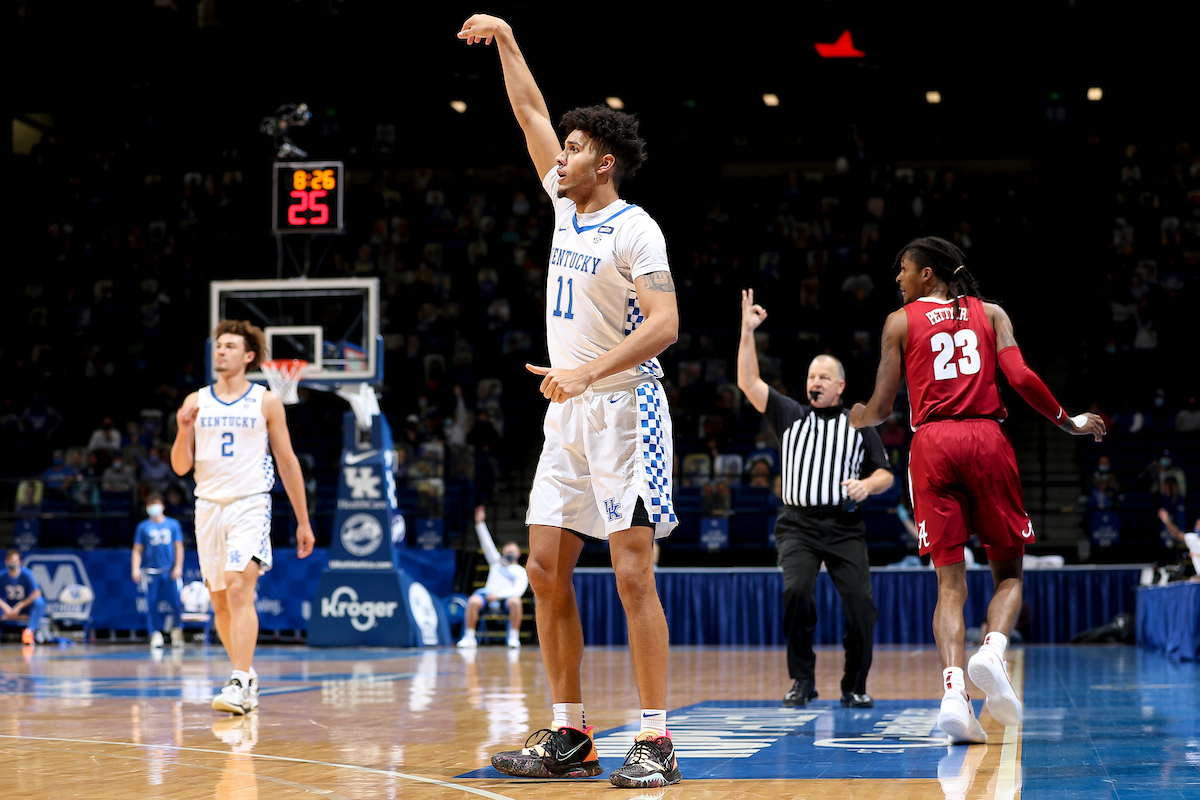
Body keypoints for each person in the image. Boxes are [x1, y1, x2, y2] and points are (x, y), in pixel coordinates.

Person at [458, 13, 681, 789]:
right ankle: (571, 734)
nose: (563, 155)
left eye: (577, 148)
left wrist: (587, 373)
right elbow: (526, 112)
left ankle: (655, 738)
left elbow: (665, 325)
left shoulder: (636, 230)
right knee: (547, 569)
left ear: (605, 163)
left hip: (626, 410)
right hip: (569, 413)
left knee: (630, 573)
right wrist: (510, 41)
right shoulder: (564, 204)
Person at [849, 236, 1106, 744]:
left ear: (929, 275)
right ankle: (991, 652)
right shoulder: (991, 314)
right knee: (1008, 570)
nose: (897, 278)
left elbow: (880, 408)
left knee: (949, 584)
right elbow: (1023, 378)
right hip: (987, 437)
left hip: (932, 446)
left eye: (903, 269)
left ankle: (952, 693)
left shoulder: (899, 323)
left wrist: (858, 416)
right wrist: (1068, 421)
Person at [737, 289, 894, 710]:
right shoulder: (790, 414)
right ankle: (802, 679)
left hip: (844, 526)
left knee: (861, 606)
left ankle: (854, 684)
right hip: (798, 526)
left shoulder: (859, 420)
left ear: (840, 385)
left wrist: (867, 486)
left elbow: (885, 472)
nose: (815, 382)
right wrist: (747, 331)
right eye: (811, 377)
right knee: (798, 594)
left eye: (823, 377)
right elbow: (748, 382)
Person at [171, 319, 314, 715]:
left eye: (230, 346)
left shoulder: (266, 400)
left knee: (237, 587)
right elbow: (180, 467)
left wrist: (303, 520)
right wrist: (184, 431)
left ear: (249, 356)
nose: (222, 351)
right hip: (207, 506)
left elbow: (286, 461)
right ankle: (246, 678)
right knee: (219, 601)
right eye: (218, 345)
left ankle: (236, 679)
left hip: (250, 502)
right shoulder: (194, 401)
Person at [457, 505, 528, 649]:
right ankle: (469, 637)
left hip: (505, 599)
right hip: (487, 596)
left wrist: (499, 596)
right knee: (472, 601)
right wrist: (480, 523)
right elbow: (486, 543)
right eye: (507, 550)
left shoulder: (521, 571)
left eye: (512, 551)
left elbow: (518, 591)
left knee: (516, 602)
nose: (509, 553)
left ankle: (513, 638)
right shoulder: (496, 562)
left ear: (518, 553)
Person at [132, 492, 185, 648]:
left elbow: (179, 547)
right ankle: (154, 633)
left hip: (169, 571)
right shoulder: (143, 527)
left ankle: (177, 631)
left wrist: (178, 566)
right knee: (151, 603)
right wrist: (135, 567)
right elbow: (137, 550)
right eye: (150, 504)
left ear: (162, 506)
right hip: (150, 571)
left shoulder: (172, 524)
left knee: (175, 602)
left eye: (156, 503)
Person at [2, 550, 45, 645]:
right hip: (8, 608)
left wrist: (19, 606)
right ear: (5, 561)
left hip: (23, 608)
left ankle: (29, 632)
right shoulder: (2, 575)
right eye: (10, 560)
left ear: (20, 562)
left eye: (14, 560)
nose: (12, 563)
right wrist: (6, 607)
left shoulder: (26, 574)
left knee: (39, 602)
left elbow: (37, 593)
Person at [1156, 508, 1200, 581]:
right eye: (1197, 525)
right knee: (1192, 581)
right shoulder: (1192, 538)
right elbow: (1177, 534)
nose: (1198, 527)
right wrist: (1167, 521)